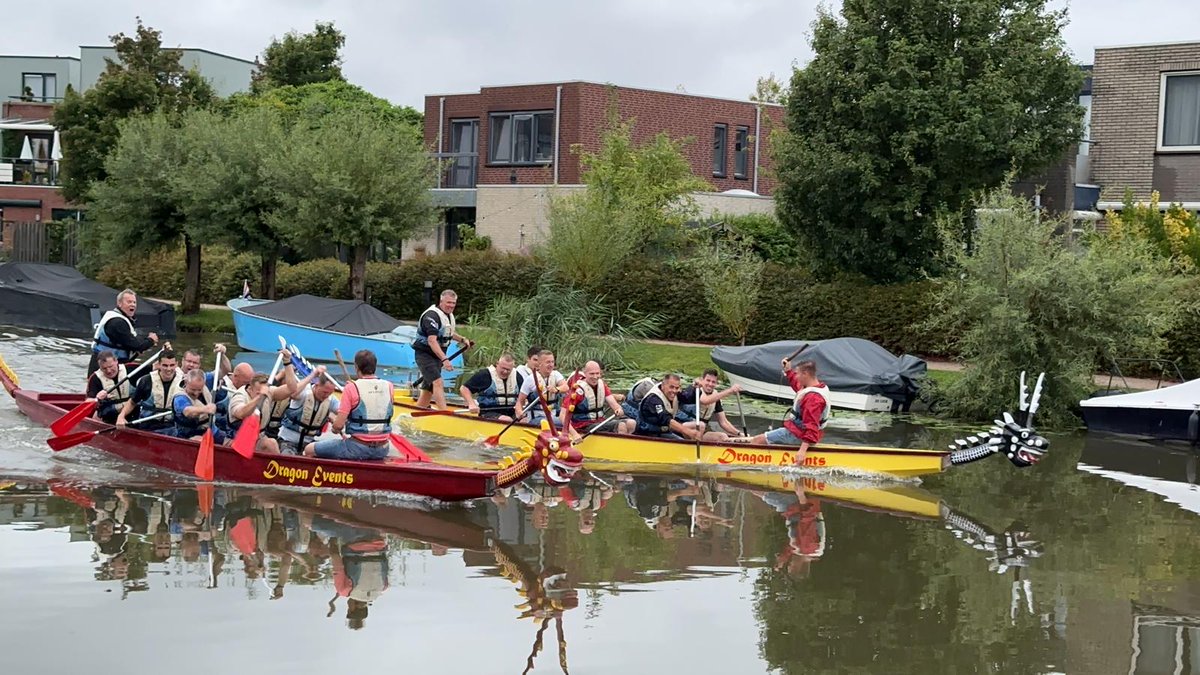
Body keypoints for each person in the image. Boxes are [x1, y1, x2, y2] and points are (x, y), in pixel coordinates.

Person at [304, 349, 394, 461]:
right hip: (383, 448)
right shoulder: (389, 386)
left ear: (356, 367)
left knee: (309, 449)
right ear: (375, 366)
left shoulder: (351, 387)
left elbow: (338, 426)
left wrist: (334, 430)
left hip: (357, 448)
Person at [746, 360, 830, 465]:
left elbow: (811, 426)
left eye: (798, 373)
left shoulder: (813, 399)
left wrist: (802, 451)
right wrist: (788, 371)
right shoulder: (815, 387)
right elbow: (798, 386)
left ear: (805, 374)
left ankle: (752, 466)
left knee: (757, 440)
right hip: (797, 431)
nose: (796, 376)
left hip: (797, 434)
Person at [412, 289, 472, 410]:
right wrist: (444, 359)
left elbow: (447, 332)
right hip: (425, 354)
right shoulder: (431, 316)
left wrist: (462, 339)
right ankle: (444, 413)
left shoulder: (447, 315)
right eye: (448, 302)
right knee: (438, 382)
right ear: (441, 301)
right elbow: (432, 340)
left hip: (437, 355)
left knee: (429, 389)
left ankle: (418, 410)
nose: (451, 306)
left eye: (453, 303)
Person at [88, 288, 158, 375]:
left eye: (134, 302)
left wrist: (145, 342)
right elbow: (136, 346)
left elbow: (130, 341)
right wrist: (150, 340)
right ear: (119, 304)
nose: (132, 305)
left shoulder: (120, 318)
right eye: (129, 302)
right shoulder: (117, 322)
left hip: (113, 364)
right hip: (105, 366)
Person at [116, 350, 182, 434]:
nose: (168, 369)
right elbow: (132, 402)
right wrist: (121, 416)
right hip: (149, 426)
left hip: (172, 426)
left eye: (172, 365)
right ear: (159, 365)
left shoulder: (183, 382)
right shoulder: (146, 381)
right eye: (165, 365)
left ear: (176, 364)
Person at [278, 366, 339, 456]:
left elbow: (344, 412)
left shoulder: (331, 400)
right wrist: (313, 374)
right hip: (287, 441)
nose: (326, 396)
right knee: (288, 456)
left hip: (308, 445)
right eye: (324, 392)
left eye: (330, 393)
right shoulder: (304, 392)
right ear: (317, 385)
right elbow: (293, 393)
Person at [559, 360, 632, 435]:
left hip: (600, 422)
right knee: (621, 425)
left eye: (597, 373)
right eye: (592, 374)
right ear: (585, 373)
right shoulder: (577, 391)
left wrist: (618, 410)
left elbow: (615, 405)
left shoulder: (602, 385)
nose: (595, 377)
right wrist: (575, 434)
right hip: (582, 426)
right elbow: (562, 415)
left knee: (631, 423)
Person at [678, 369, 746, 441]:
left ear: (716, 383)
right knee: (701, 425)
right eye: (708, 380)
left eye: (713, 382)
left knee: (722, 437)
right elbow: (705, 401)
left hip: (702, 430)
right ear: (702, 380)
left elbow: (724, 422)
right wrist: (730, 391)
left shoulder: (716, 397)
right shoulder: (695, 389)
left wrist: (739, 434)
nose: (710, 384)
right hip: (685, 426)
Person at [633, 373, 702, 441]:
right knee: (681, 443)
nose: (674, 391)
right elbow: (666, 419)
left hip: (663, 432)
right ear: (663, 386)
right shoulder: (653, 399)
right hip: (646, 435)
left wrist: (695, 389)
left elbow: (688, 398)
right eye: (671, 387)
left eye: (677, 388)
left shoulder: (675, 393)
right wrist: (688, 432)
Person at [460, 353, 523, 421]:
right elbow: (464, 388)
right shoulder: (485, 375)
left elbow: (526, 395)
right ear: (497, 364)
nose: (505, 372)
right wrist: (471, 404)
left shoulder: (517, 376)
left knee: (525, 419)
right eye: (503, 368)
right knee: (507, 420)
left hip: (512, 412)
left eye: (508, 370)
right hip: (488, 412)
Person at [513, 350, 568, 427]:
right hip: (536, 418)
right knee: (561, 422)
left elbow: (566, 387)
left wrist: (556, 389)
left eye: (552, 362)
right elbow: (520, 402)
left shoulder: (556, 374)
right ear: (540, 364)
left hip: (554, 414)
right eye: (548, 362)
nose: (551, 365)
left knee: (569, 420)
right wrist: (519, 412)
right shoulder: (531, 379)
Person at [87, 350, 132, 424]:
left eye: (111, 366)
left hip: (132, 413)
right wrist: (97, 398)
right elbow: (88, 403)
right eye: (104, 368)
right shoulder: (95, 378)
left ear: (116, 361)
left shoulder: (131, 369)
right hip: (110, 417)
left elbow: (155, 368)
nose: (108, 371)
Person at [172, 368, 218, 441]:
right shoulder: (180, 397)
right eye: (193, 389)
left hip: (211, 430)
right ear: (186, 382)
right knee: (200, 441)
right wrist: (206, 409)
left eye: (199, 390)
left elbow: (224, 370)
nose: (196, 393)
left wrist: (222, 356)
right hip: (188, 435)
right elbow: (188, 411)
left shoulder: (204, 379)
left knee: (231, 442)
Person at [215, 363, 255, 438]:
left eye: (250, 383)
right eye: (246, 383)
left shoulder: (249, 389)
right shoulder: (222, 388)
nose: (249, 386)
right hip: (222, 430)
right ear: (235, 376)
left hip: (241, 430)